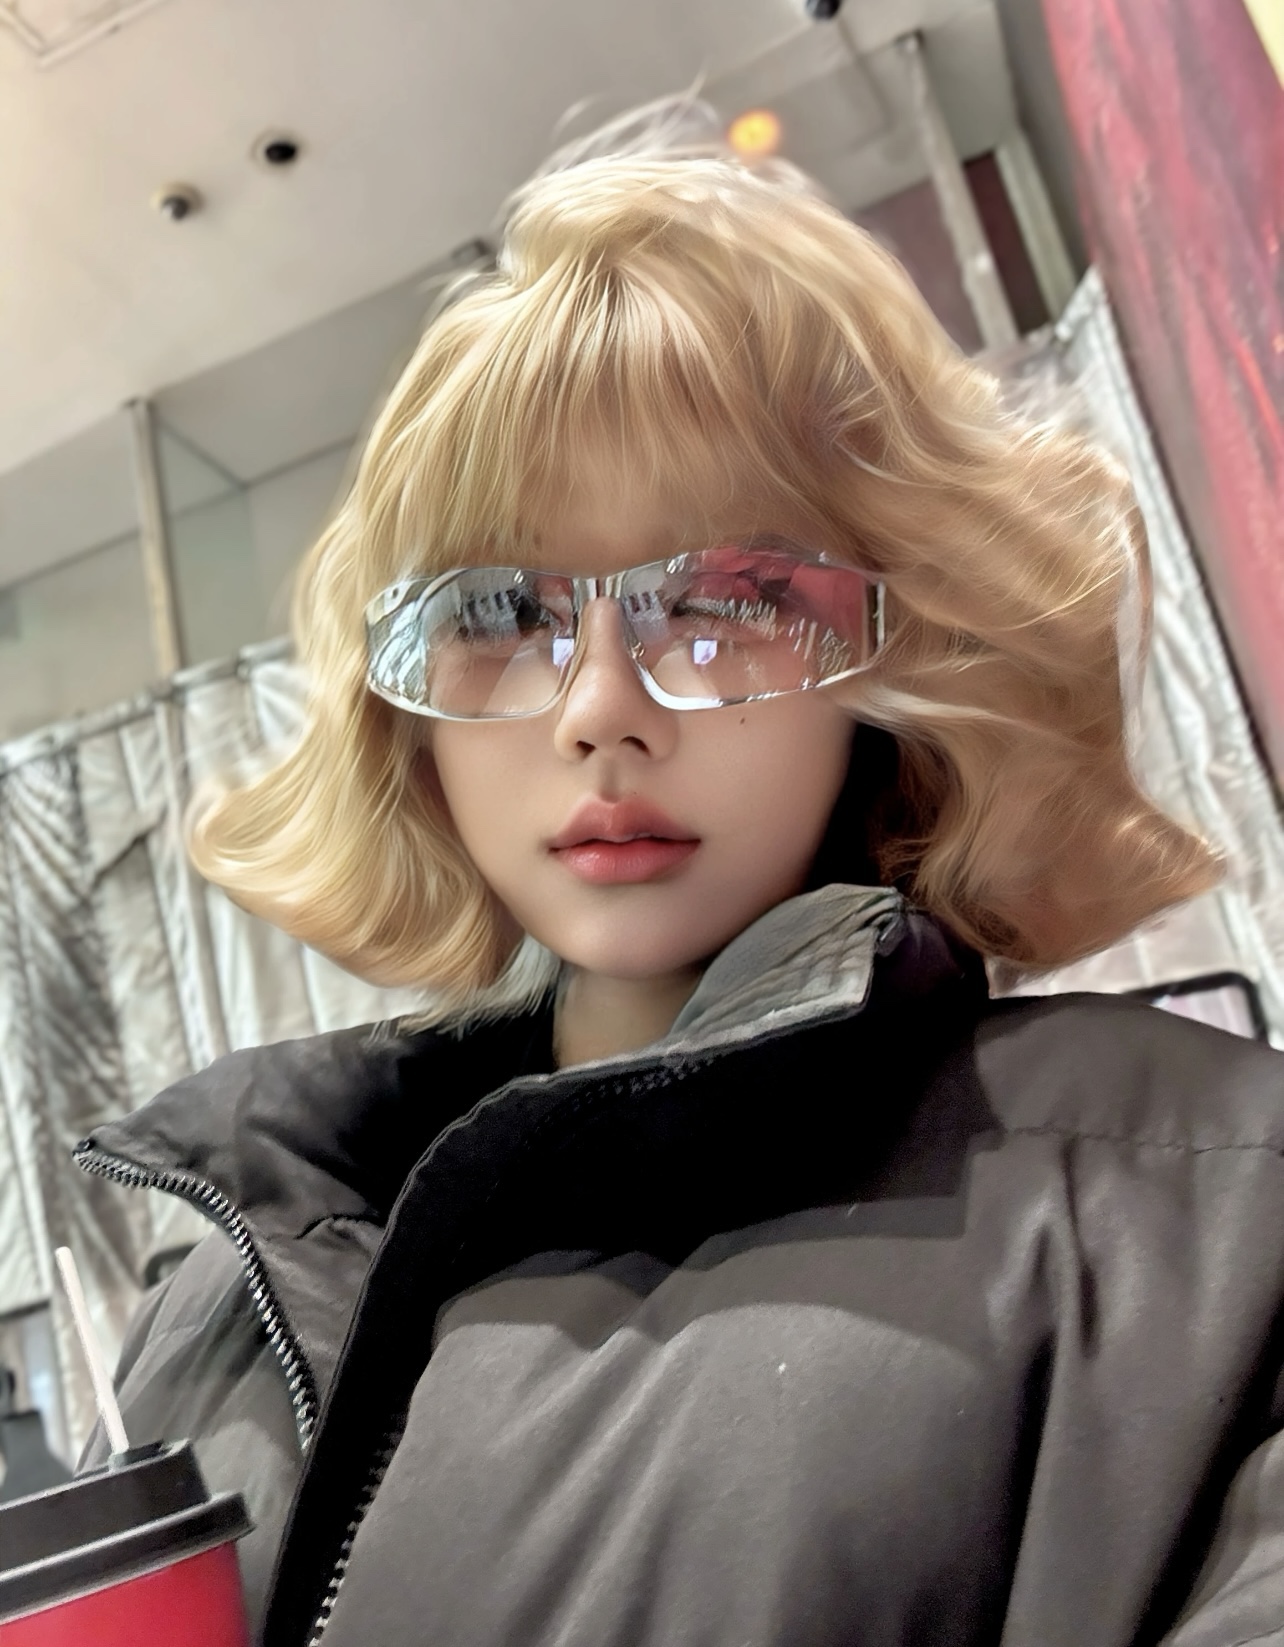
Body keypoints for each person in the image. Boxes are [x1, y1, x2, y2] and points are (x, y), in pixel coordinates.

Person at [77, 105, 1284, 1647]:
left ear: (897, 651)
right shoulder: (219, 1296)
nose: (599, 708)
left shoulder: (1205, 1218)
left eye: (726, 601)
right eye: (501, 614)